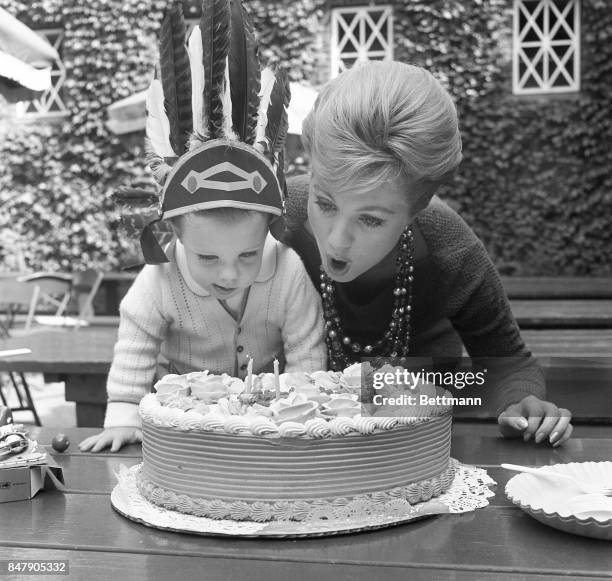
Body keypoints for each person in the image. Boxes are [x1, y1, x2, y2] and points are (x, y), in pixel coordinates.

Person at [279, 60, 572, 446]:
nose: (336, 240)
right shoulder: (276, 217)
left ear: (417, 209)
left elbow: (508, 364)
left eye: (371, 220)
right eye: (326, 203)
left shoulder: (450, 248)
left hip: (422, 446)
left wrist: (520, 404)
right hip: (292, 446)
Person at [80, 0, 326, 453]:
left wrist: (300, 419)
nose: (229, 274)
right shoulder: (159, 279)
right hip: (183, 429)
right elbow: (135, 348)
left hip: (265, 428)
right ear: (175, 237)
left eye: (247, 255)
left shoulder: (289, 273)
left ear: (271, 232)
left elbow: (307, 359)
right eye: (208, 257)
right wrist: (121, 416)